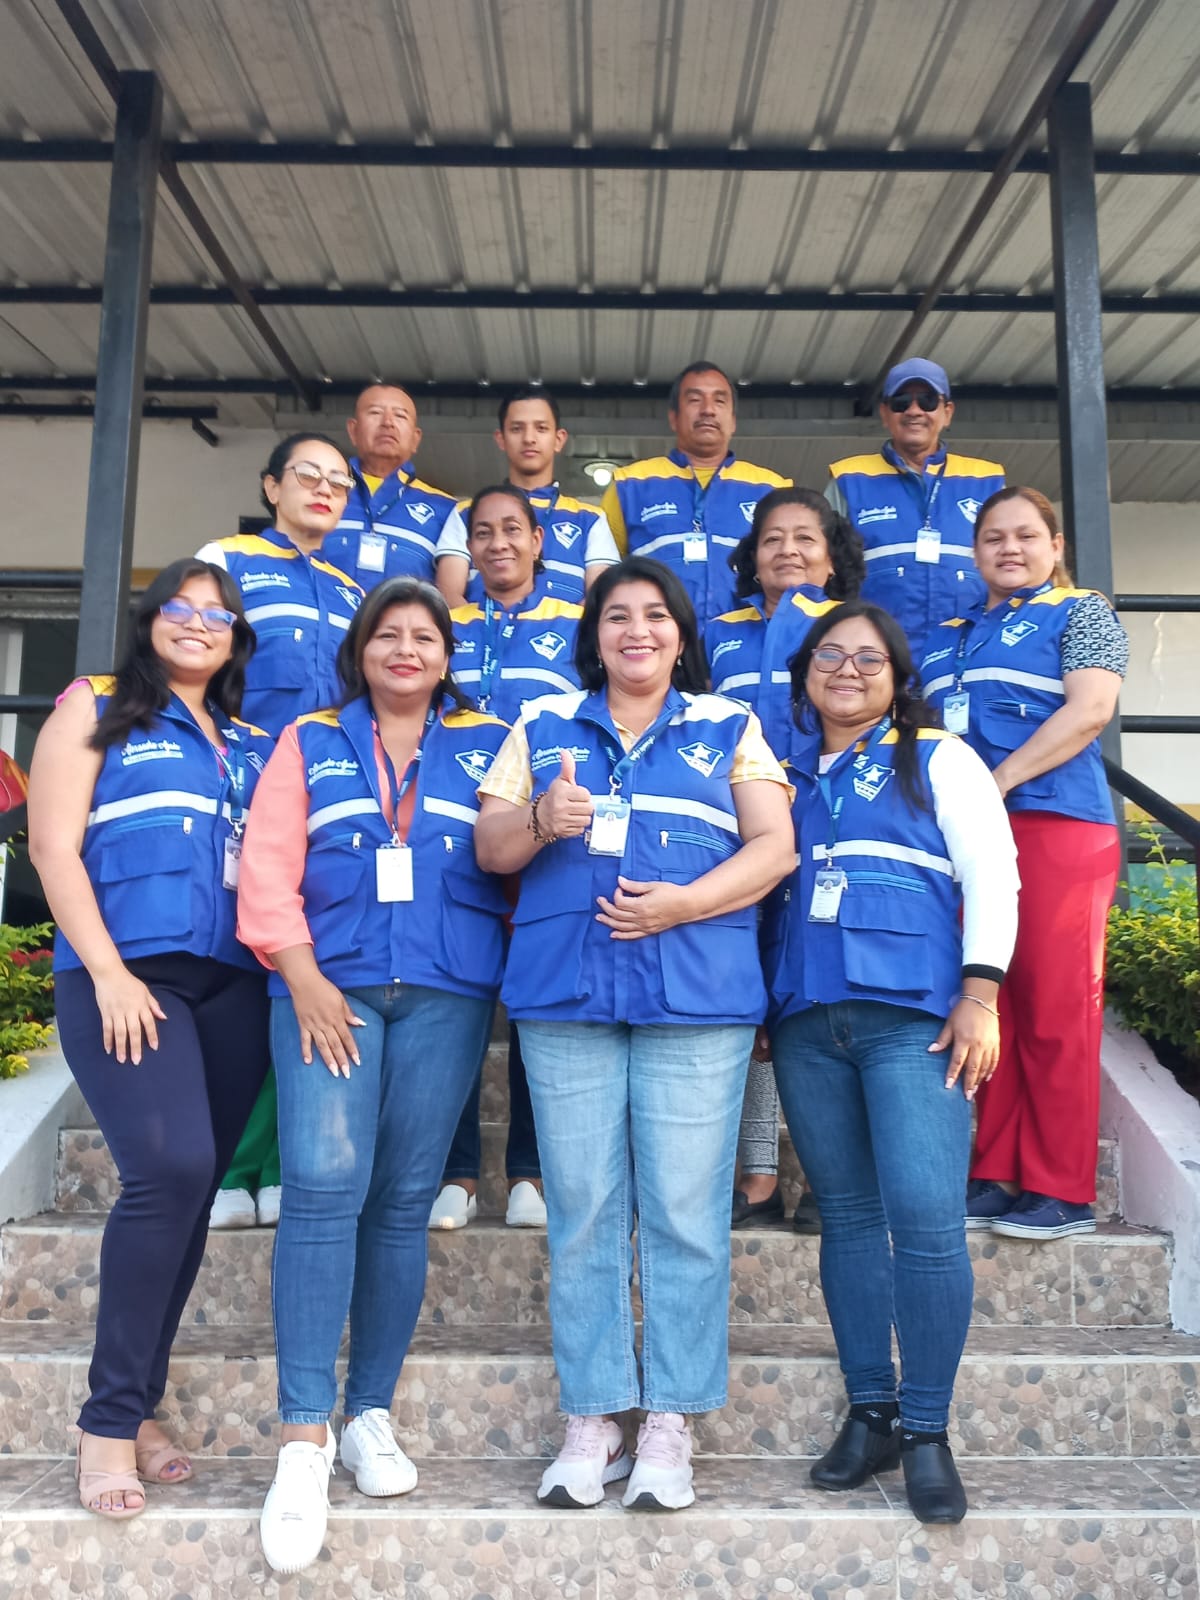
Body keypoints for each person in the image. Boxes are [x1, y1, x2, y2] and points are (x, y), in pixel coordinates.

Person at [475, 555, 795, 1513]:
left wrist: (686, 903)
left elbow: (776, 847)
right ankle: (594, 1417)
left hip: (696, 994)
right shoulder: (540, 725)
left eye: (655, 615)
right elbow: (491, 847)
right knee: (581, 1211)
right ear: (595, 636)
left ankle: (670, 1420)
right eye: (617, 616)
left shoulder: (728, 725)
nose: (637, 631)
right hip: (565, 993)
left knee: (685, 1215)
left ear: (681, 635)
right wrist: (542, 817)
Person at [238, 577, 510, 1576]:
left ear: (445, 656)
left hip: (446, 991)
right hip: (329, 988)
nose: (405, 649)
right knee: (321, 1188)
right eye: (387, 634)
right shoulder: (309, 739)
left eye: (424, 636)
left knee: (401, 1199)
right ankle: (302, 1438)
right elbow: (267, 869)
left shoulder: (488, 742)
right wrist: (303, 978)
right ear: (360, 651)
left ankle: (369, 1415)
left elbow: (512, 855)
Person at [762, 600, 1018, 1525]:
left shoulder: (937, 757)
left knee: (926, 1219)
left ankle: (927, 1431)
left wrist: (980, 994)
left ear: (899, 677)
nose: (848, 670)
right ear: (803, 676)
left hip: (916, 1020)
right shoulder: (781, 774)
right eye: (829, 655)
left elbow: (995, 873)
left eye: (869, 659)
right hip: (806, 1022)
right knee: (849, 1218)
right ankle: (870, 1411)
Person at [27, 559, 273, 1521]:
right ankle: (106, 1422)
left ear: (236, 638)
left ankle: (138, 1409)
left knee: (194, 1188)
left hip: (234, 987)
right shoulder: (92, 704)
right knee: (167, 1171)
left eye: (217, 614)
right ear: (149, 619)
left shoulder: (252, 743)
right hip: (127, 976)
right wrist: (109, 973)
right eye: (180, 606)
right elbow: (53, 846)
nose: (197, 623)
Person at [921, 486, 1127, 1240]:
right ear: (974, 552)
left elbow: (1090, 710)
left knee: (1054, 1005)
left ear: (1056, 546)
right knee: (989, 1000)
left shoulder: (1083, 612)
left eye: (1026, 536)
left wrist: (997, 782)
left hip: (1055, 825)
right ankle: (998, 1172)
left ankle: (1060, 1187)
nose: (1009, 548)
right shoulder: (947, 636)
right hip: (968, 838)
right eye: (994, 538)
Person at [197, 433, 363, 1230]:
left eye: (338, 482)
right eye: (309, 475)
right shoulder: (226, 561)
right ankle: (232, 1166)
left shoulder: (351, 588)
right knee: (239, 972)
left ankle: (275, 1161)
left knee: (295, 968)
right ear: (271, 486)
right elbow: (194, 664)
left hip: (320, 798)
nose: (324, 489)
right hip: (236, 788)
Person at [707, 488, 864, 1232]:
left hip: (828, 826)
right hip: (736, 833)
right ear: (752, 555)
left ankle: (837, 1180)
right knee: (753, 1000)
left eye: (805, 538)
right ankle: (759, 1175)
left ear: (832, 558)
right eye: (772, 539)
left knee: (819, 995)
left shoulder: (849, 631)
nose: (788, 551)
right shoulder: (716, 634)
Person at [431, 485, 585, 1231]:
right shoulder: (442, 623)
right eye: (483, 532)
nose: (498, 543)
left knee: (530, 999)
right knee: (459, 999)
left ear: (538, 541)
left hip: (540, 831)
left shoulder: (576, 623)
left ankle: (530, 1172)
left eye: (513, 529)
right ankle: (455, 1174)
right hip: (448, 830)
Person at [826, 358, 1005, 659]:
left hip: (967, 656)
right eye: (901, 402)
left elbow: (1015, 570)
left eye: (927, 401)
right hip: (876, 659)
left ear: (947, 412)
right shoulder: (848, 479)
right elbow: (821, 574)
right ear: (885, 413)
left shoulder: (987, 481)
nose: (914, 411)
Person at [601, 362, 790, 635]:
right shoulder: (630, 485)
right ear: (673, 418)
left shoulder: (771, 489)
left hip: (749, 643)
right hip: (656, 643)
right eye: (694, 400)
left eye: (719, 401)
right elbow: (601, 575)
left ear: (733, 420)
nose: (708, 410)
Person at [435, 386, 620, 605]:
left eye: (541, 428)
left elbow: (600, 599)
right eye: (516, 429)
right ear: (501, 438)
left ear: (559, 439)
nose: (529, 438)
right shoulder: (466, 512)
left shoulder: (590, 518)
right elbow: (448, 595)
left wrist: (561, 627)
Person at [322, 382, 459, 591]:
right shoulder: (323, 491)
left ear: (415, 439)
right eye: (375, 413)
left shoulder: (447, 510)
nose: (388, 423)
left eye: (400, 416)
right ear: (353, 430)